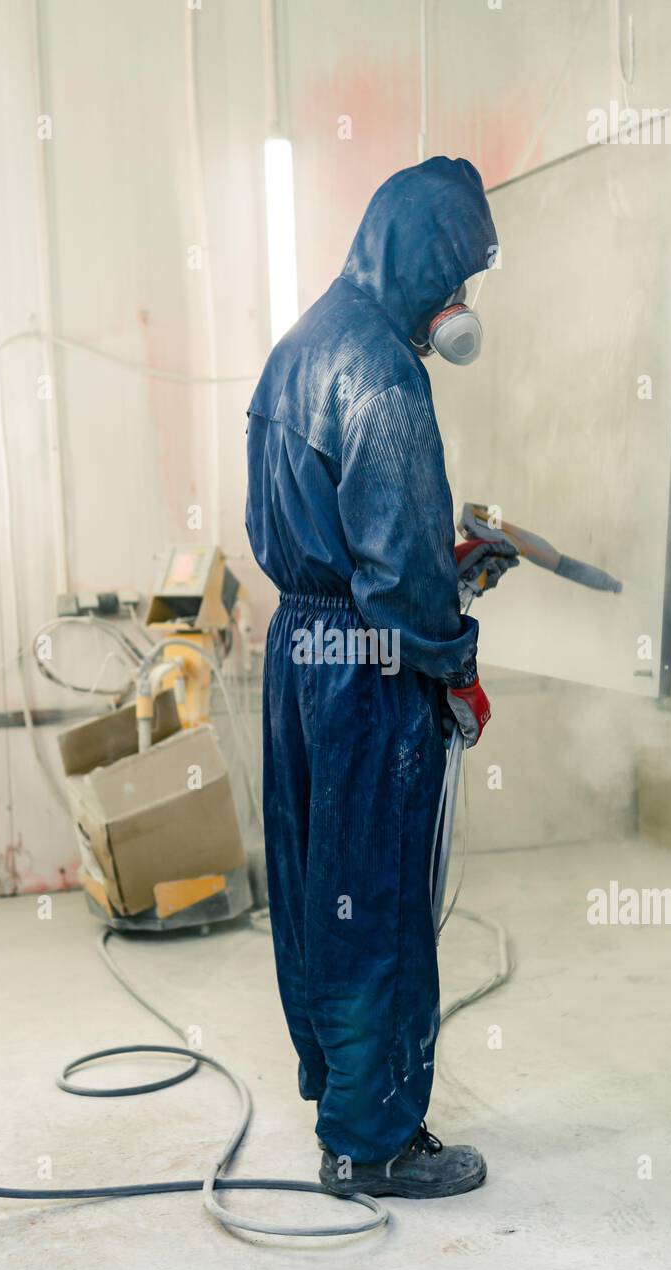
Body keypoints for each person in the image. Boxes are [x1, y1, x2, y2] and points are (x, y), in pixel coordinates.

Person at [245, 156, 517, 1199]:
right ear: (424, 266)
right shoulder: (387, 374)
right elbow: (401, 583)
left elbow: (322, 535)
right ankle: (373, 1143)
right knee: (380, 898)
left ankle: (336, 1092)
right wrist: (451, 655)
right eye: (456, 277)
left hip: (301, 656)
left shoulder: (299, 346)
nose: (459, 305)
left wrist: (408, 578)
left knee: (322, 890)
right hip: (369, 672)